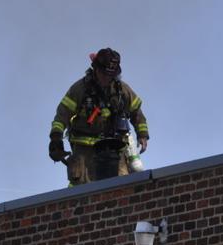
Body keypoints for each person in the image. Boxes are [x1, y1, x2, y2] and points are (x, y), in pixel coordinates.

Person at [49, 48, 149, 186]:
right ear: (96, 69)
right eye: (104, 74)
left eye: (110, 75)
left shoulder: (121, 90)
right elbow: (62, 116)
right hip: (84, 150)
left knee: (121, 186)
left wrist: (142, 134)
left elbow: (136, 111)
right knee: (81, 189)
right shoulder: (79, 89)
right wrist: (56, 139)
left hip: (114, 148)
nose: (107, 78)